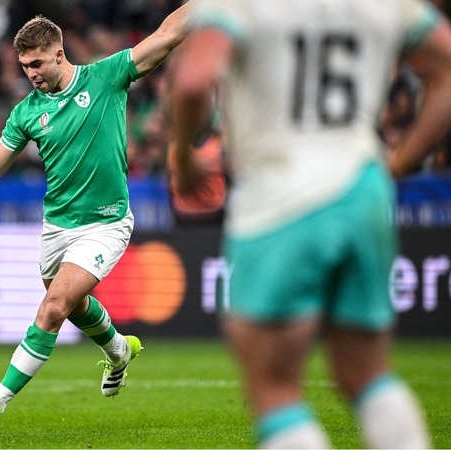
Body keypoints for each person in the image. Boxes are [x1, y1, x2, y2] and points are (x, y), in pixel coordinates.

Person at [169, 0, 451, 448]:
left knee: (275, 389)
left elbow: (192, 79)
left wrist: (183, 156)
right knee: (367, 373)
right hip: (364, 186)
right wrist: (403, 159)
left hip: (280, 195)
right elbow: (447, 65)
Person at [0, 5, 191, 434]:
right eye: (24, 65)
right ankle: (120, 350)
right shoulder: (26, 113)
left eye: (36, 63)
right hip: (57, 228)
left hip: (106, 223)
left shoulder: (105, 77)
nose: (30, 73)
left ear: (59, 55)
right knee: (72, 303)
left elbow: (164, 37)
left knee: (53, 307)